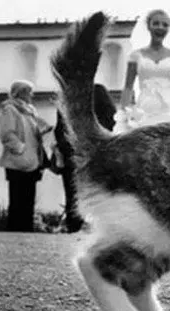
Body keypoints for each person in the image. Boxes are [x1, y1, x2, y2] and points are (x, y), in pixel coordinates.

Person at [54, 83, 117, 232]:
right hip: (96, 152)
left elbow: (60, 129)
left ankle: (73, 226)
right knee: (99, 190)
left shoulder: (67, 96)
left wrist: (67, 148)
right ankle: (99, 227)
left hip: (74, 152)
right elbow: (111, 122)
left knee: (72, 192)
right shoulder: (99, 93)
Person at [0, 80, 52, 232]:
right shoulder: (11, 109)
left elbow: (29, 135)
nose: (32, 95)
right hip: (16, 161)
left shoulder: (30, 111)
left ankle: (26, 228)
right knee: (17, 196)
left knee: (28, 196)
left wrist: (41, 133)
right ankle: (15, 228)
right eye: (29, 92)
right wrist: (20, 149)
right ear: (20, 93)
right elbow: (7, 133)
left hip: (32, 160)